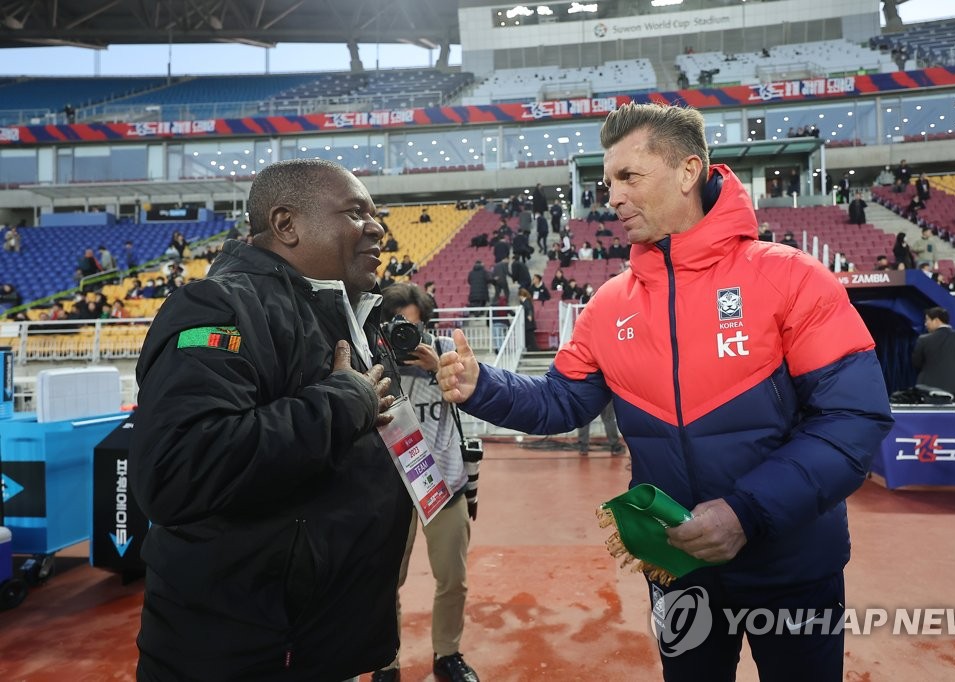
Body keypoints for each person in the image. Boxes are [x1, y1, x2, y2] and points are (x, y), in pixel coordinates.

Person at [436, 102, 893, 682]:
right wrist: (484, 387)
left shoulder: (793, 277)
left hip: (793, 564)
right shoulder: (609, 305)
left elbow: (852, 420)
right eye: (608, 182)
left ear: (687, 171)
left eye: (630, 177)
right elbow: (561, 400)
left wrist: (746, 512)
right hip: (677, 567)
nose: (614, 197)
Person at [128, 159, 412, 681]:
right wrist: (343, 402)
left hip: (321, 644)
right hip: (244, 653)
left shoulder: (343, 313)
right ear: (286, 225)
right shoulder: (218, 307)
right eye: (356, 213)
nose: (377, 227)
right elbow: (177, 469)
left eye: (376, 214)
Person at [374, 283, 479, 682]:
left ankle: (447, 655)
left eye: (411, 328)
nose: (404, 336)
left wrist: (436, 368)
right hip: (392, 490)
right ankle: (386, 662)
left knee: (453, 578)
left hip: (445, 485)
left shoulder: (444, 354)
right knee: (384, 582)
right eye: (395, 326)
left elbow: (473, 396)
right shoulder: (372, 358)